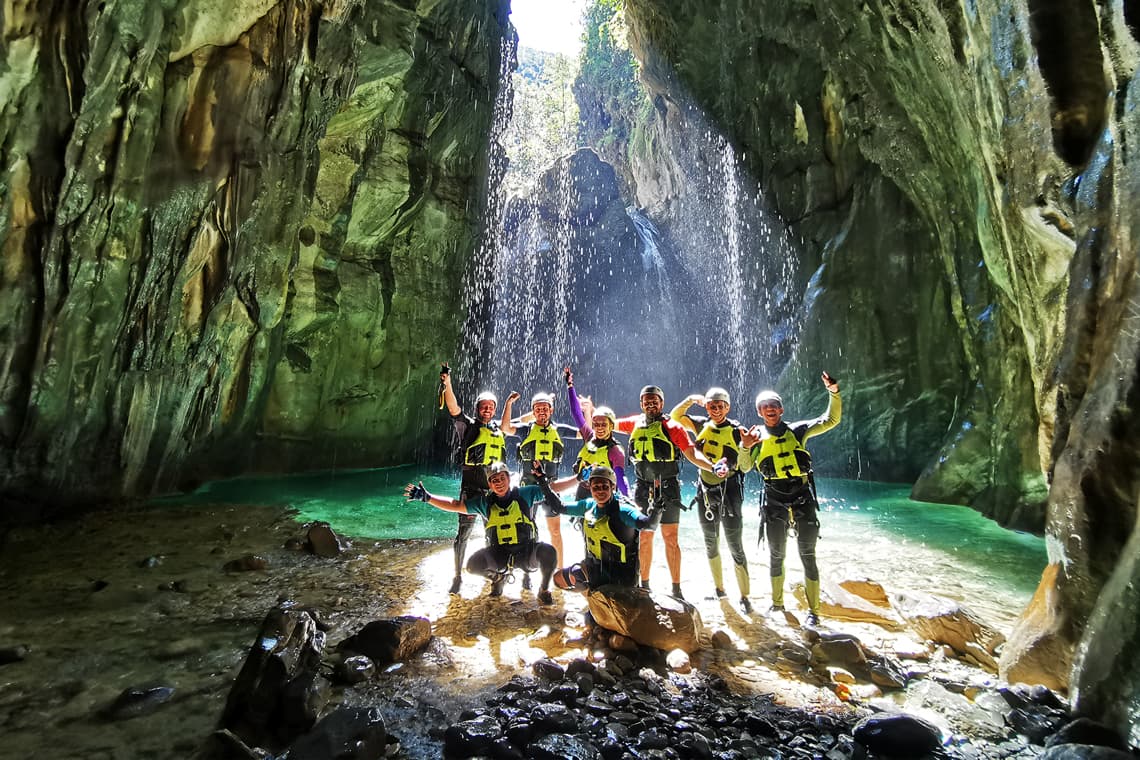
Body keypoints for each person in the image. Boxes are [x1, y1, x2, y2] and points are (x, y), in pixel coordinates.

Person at [745, 371, 842, 626]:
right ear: (759, 412)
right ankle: (777, 605)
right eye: (764, 407)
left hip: (802, 498)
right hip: (774, 501)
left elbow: (830, 419)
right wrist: (745, 446)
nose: (770, 410)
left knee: (807, 555)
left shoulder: (798, 430)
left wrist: (833, 392)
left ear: (781, 408)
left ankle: (814, 612)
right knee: (777, 556)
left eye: (774, 406)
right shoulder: (754, 437)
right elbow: (744, 467)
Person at [615, 385, 727, 599]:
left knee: (670, 538)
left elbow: (692, 453)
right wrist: (589, 411)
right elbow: (609, 424)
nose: (650, 404)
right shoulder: (634, 423)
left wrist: (712, 467)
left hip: (668, 487)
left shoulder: (673, 427)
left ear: (661, 403)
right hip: (643, 487)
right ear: (641, 404)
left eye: (654, 400)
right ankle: (644, 585)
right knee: (645, 537)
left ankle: (676, 589)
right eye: (646, 400)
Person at [404, 461, 557, 604]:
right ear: (489, 484)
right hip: (500, 555)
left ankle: (543, 590)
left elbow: (553, 490)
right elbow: (456, 505)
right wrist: (427, 498)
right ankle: (498, 578)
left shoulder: (526, 494)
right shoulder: (484, 503)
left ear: (508, 479)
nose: (499, 483)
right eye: (494, 480)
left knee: (549, 552)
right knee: (473, 565)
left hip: (526, 553)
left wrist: (548, 480)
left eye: (502, 478)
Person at [671, 387, 755, 613]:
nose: (716, 410)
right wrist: (689, 398)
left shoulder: (738, 431)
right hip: (705, 491)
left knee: (735, 545)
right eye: (712, 406)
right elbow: (675, 418)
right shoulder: (700, 424)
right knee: (711, 542)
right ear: (707, 407)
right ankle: (720, 591)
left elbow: (746, 467)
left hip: (730, 492)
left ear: (728, 407)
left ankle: (745, 597)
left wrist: (746, 446)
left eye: (720, 406)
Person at [534, 465, 653, 591]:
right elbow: (558, 507)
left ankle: (609, 597)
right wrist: (542, 481)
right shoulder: (588, 506)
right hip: (597, 570)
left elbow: (648, 525)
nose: (600, 491)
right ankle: (592, 598)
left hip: (621, 577)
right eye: (595, 487)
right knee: (558, 579)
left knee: (581, 577)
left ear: (612, 487)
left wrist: (657, 509)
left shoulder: (623, 510)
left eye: (604, 487)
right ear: (589, 488)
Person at [440, 368, 505, 594]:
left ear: (494, 410)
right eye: (483, 406)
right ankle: (457, 576)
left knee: (493, 534)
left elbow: (519, 421)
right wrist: (447, 383)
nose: (487, 409)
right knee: (463, 535)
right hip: (470, 489)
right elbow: (453, 408)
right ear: (477, 408)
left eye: (491, 406)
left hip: (491, 492)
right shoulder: (466, 426)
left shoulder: (498, 431)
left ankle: (496, 576)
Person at [500, 388, 579, 573]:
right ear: (533, 412)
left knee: (556, 531)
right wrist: (509, 404)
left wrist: (588, 412)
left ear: (551, 410)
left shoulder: (559, 430)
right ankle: (527, 568)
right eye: (538, 409)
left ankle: (560, 570)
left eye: (545, 408)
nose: (542, 412)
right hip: (528, 488)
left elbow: (586, 432)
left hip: (551, 488)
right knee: (526, 529)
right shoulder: (525, 430)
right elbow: (505, 428)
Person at [564, 366, 629, 499]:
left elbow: (620, 478)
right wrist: (570, 386)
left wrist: (628, 498)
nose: (599, 428)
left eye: (603, 424)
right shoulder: (589, 436)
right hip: (583, 491)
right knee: (581, 520)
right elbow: (576, 414)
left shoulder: (615, 451)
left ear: (611, 425)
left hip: (604, 494)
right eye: (596, 424)